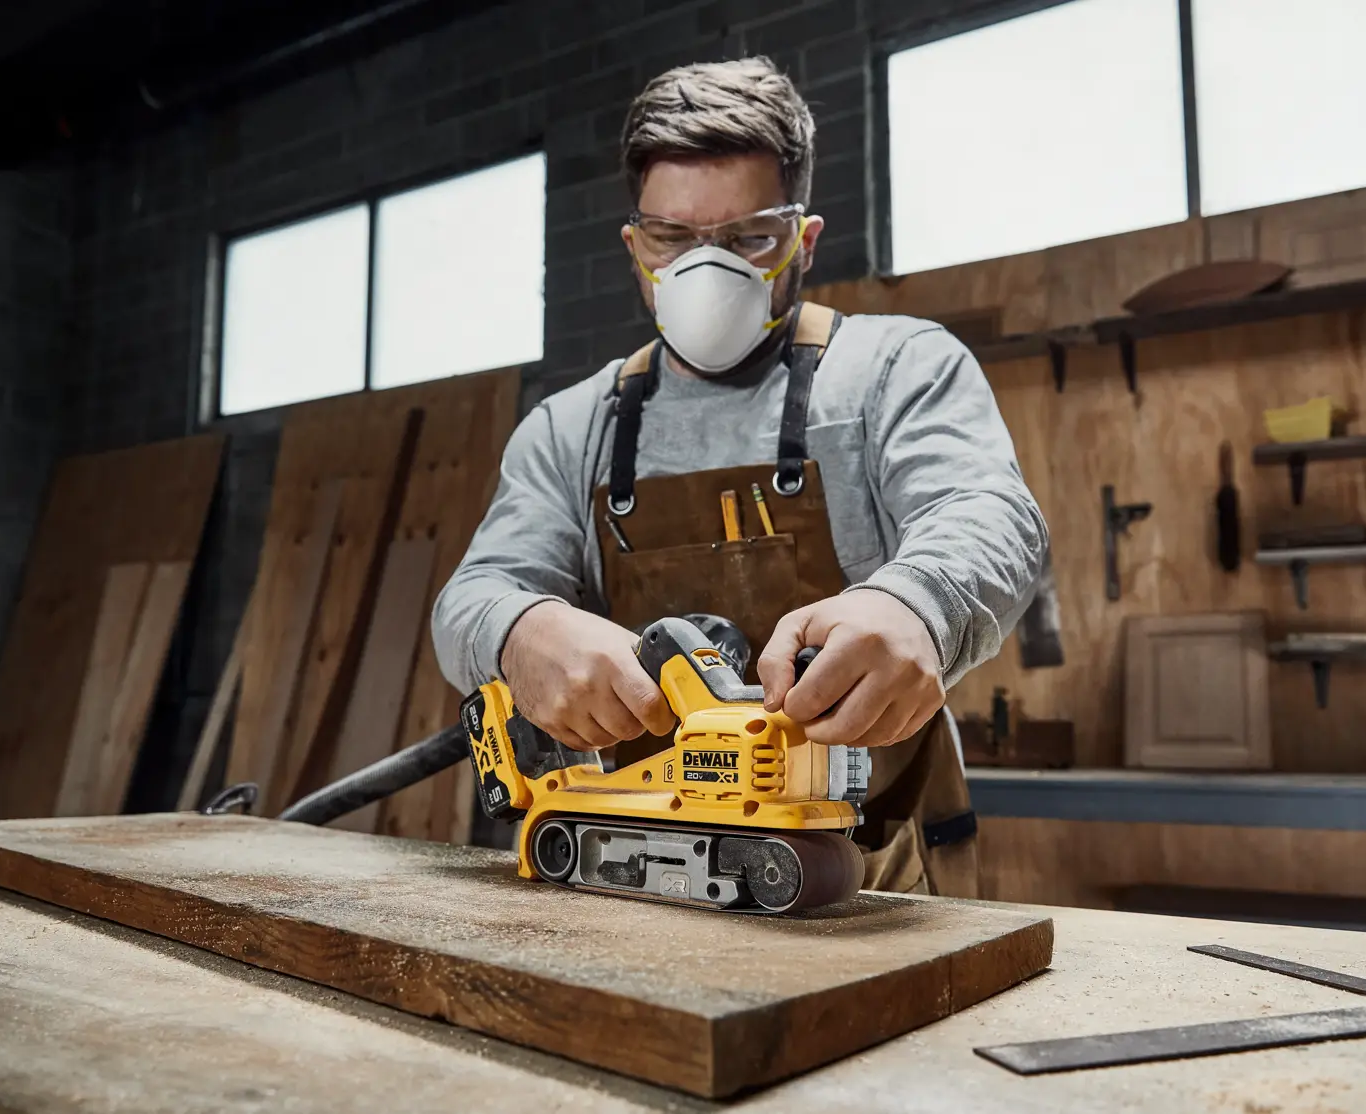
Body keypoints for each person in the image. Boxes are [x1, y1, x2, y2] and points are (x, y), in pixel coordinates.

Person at [431, 56, 1047, 896]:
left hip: (870, 871)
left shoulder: (896, 368)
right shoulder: (572, 425)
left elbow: (988, 515)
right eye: (672, 239)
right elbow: (474, 593)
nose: (704, 269)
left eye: (749, 237)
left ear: (803, 238)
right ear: (633, 245)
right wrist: (517, 629)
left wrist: (915, 606)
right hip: (637, 860)